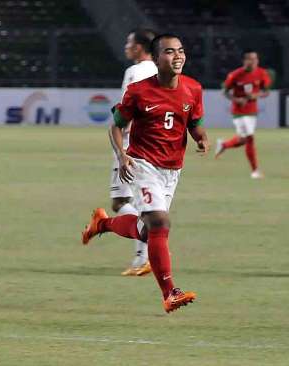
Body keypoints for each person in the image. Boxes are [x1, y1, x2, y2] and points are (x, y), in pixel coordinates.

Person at [82, 34, 209, 313]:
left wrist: (200, 137)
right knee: (160, 223)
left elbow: (194, 121)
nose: (177, 56)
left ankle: (102, 224)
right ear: (156, 58)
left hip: (172, 170)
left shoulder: (193, 89)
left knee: (144, 230)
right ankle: (170, 293)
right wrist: (122, 155)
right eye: (169, 52)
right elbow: (116, 126)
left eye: (181, 50)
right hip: (142, 164)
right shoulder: (139, 91)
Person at [102, 28, 157, 277]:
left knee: (121, 202)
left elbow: (128, 106)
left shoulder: (134, 72)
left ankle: (145, 254)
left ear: (139, 47)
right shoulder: (159, 70)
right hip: (156, 144)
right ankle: (144, 257)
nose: (126, 46)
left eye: (129, 42)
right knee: (140, 201)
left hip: (131, 143)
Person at [215, 50, 271, 179]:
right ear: (245, 61)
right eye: (251, 59)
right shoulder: (235, 75)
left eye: (256, 59)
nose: (254, 61)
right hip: (239, 112)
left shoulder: (261, 73)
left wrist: (256, 95)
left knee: (242, 140)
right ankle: (255, 171)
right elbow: (225, 92)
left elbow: (266, 92)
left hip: (252, 111)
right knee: (250, 137)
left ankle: (223, 145)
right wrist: (237, 100)